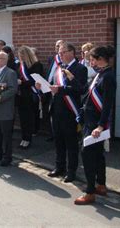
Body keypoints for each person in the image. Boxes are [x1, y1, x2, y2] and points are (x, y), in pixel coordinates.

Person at [37, 42, 87, 183]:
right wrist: (42, 87)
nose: (60, 54)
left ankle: (71, 171)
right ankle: (59, 167)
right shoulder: (59, 68)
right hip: (56, 109)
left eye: (63, 52)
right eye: (59, 52)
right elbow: (52, 87)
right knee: (58, 141)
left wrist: (60, 89)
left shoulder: (80, 68)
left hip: (70, 111)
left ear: (72, 52)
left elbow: (81, 89)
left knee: (71, 143)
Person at [75, 46, 116, 205]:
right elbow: (85, 93)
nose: (90, 62)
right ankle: (101, 185)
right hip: (90, 120)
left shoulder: (108, 77)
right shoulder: (100, 74)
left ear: (100, 59)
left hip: (96, 124)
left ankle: (90, 191)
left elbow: (107, 104)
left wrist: (100, 126)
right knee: (98, 154)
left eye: (92, 59)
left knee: (88, 155)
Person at [17, 45, 44, 149]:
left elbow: (36, 81)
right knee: (22, 119)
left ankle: (28, 139)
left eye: (22, 55)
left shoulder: (36, 65)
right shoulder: (19, 66)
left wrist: (22, 82)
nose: (21, 57)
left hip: (31, 94)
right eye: (20, 55)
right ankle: (23, 138)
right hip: (21, 96)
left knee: (29, 119)